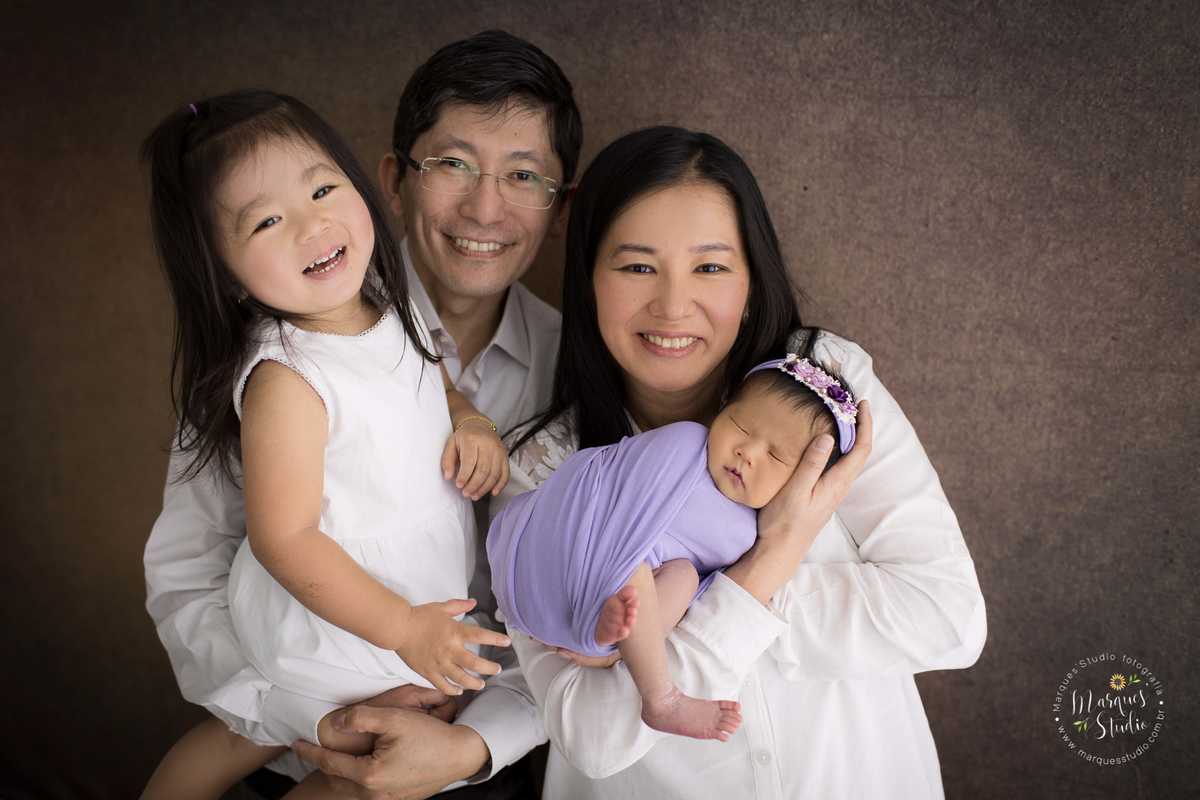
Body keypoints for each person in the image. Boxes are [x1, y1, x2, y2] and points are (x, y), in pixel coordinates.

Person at [143, 31, 581, 799]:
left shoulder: (568, 369)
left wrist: (471, 741)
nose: (485, 206)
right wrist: (295, 715)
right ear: (391, 180)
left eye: (523, 176)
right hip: (307, 695)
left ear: (559, 207)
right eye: (452, 164)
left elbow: (578, 619)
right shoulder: (278, 367)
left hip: (477, 741)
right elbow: (195, 567)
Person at [492, 126, 987, 799]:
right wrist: (766, 564)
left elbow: (949, 618)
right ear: (587, 284)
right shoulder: (543, 470)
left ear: (752, 281)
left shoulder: (828, 387)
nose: (672, 305)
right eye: (637, 266)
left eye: (710, 267)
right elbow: (595, 740)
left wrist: (692, 613)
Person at [489, 356, 859, 742]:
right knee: (633, 564)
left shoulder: (749, 536)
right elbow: (614, 502)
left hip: (582, 619)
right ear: (722, 410)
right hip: (548, 556)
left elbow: (698, 600)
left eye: (776, 456)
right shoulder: (686, 443)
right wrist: (620, 566)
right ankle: (661, 697)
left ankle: (621, 634)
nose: (747, 452)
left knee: (680, 578)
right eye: (741, 425)